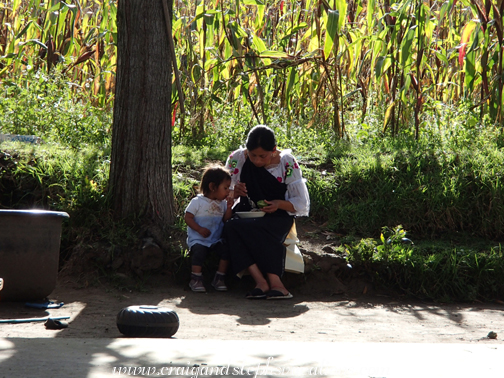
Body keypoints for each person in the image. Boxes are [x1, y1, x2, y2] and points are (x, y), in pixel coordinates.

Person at [224, 125, 310, 299]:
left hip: (278, 216)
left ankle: (277, 284)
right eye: (253, 155)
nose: (256, 161)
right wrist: (235, 192)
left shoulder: (286, 161)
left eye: (262, 156)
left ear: (274, 150)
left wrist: (278, 204)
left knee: (261, 229)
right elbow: (223, 192)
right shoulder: (237, 158)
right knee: (230, 228)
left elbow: (301, 204)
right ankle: (260, 282)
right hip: (247, 213)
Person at [184, 164, 233, 293]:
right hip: (199, 239)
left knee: (226, 251)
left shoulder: (222, 203)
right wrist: (199, 229)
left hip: (215, 239)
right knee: (199, 253)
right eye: (225, 188)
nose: (228, 191)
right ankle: (195, 278)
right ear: (212, 187)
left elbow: (225, 220)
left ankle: (219, 277)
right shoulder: (197, 202)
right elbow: (188, 217)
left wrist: (228, 209)